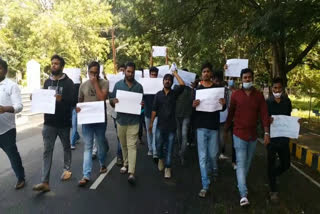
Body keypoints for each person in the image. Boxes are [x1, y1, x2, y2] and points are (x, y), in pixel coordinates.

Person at [224, 68, 270, 207]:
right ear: (241, 79)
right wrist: (225, 130)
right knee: (241, 162)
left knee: (246, 164)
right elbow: (230, 113)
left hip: (253, 136)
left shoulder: (259, 96)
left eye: (249, 77)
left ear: (252, 78)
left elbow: (264, 114)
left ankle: (240, 181)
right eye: (245, 77)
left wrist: (266, 133)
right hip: (239, 134)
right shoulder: (236, 95)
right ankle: (243, 194)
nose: (247, 80)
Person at [33, 55, 76, 192]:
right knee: (47, 150)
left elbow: (73, 102)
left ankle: (67, 169)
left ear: (62, 66)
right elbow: (43, 100)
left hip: (63, 123)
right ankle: (45, 182)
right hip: (49, 123)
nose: (53, 66)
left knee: (66, 146)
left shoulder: (69, 83)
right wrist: (35, 98)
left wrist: (61, 99)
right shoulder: (47, 82)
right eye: (52, 63)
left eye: (56, 64)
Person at [192, 63, 226, 198]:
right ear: (201, 74)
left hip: (213, 127)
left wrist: (223, 104)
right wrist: (193, 105)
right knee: (202, 157)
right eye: (204, 71)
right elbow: (192, 111)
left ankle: (214, 170)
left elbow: (222, 108)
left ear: (211, 74)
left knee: (212, 155)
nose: (206, 73)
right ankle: (205, 185)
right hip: (201, 127)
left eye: (208, 71)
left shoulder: (218, 89)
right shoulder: (197, 90)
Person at [110, 62, 143, 184]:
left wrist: (142, 105)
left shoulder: (139, 87)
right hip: (121, 120)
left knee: (132, 146)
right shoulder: (118, 85)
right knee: (123, 145)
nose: (130, 74)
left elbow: (141, 105)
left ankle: (131, 172)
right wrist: (114, 101)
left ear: (134, 72)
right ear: (125, 72)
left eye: (132, 72)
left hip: (134, 121)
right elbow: (111, 102)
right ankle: (126, 162)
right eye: (128, 71)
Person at [77, 61, 109, 187]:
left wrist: (95, 83)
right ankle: (86, 175)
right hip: (87, 121)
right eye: (91, 72)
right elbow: (80, 101)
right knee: (88, 147)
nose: (93, 75)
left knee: (101, 143)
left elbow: (102, 98)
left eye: (96, 73)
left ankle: (102, 164)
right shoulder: (83, 85)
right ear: (87, 72)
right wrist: (78, 108)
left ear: (99, 72)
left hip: (100, 120)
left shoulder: (104, 83)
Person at [149, 71, 185, 179]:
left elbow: (182, 85)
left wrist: (175, 73)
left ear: (172, 82)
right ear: (163, 81)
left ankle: (168, 168)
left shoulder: (174, 93)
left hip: (172, 127)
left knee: (169, 149)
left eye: (169, 79)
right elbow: (154, 110)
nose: (167, 81)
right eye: (165, 79)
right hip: (160, 126)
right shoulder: (158, 95)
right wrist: (151, 124)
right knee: (159, 146)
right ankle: (160, 159)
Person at [0, 58, 25, 189]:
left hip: (7, 130)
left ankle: (21, 177)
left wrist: (4, 109)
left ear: (5, 70)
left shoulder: (11, 86)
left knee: (12, 155)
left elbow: (19, 106)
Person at [266, 77, 292, 203]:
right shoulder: (267, 102)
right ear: (272, 89)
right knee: (271, 163)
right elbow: (262, 120)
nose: (277, 90)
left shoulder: (287, 102)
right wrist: (267, 123)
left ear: (283, 89)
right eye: (275, 88)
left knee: (286, 164)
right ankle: (273, 190)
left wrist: (295, 123)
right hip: (271, 138)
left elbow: (289, 118)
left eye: (279, 88)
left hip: (284, 138)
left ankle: (273, 176)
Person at [175, 69, 193, 165]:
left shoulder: (191, 88)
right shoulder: (176, 87)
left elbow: (195, 100)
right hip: (177, 115)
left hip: (186, 115)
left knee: (184, 135)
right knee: (179, 135)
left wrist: (193, 88)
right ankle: (180, 149)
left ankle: (182, 154)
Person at [110, 65, 125, 166]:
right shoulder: (113, 82)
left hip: (128, 114)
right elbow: (110, 98)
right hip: (116, 114)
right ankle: (120, 155)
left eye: (124, 71)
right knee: (120, 136)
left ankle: (124, 156)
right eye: (121, 70)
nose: (122, 73)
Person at [143, 67, 159, 159]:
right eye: (152, 74)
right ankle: (150, 149)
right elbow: (141, 96)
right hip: (147, 112)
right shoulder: (145, 84)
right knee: (149, 132)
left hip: (157, 113)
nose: (153, 76)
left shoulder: (160, 84)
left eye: (155, 74)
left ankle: (155, 151)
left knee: (154, 131)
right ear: (149, 75)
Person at [70, 79, 81, 150]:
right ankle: (76, 138)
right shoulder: (80, 86)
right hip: (74, 108)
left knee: (73, 126)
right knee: (73, 126)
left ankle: (73, 142)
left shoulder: (69, 85)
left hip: (72, 108)